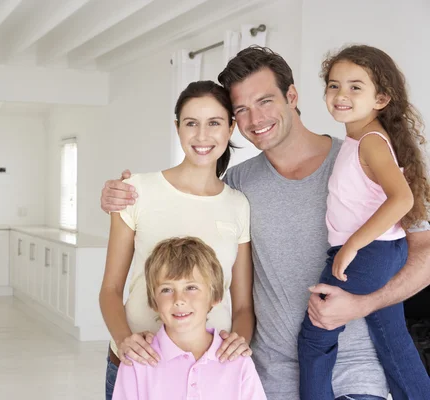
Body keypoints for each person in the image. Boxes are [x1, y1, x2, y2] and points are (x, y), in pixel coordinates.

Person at [100, 46, 430, 400]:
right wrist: (119, 196)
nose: (255, 119)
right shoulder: (238, 185)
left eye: (265, 101)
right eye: (242, 109)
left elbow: (424, 254)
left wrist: (365, 304)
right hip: (267, 379)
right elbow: (189, 222)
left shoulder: (362, 158)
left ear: (292, 95)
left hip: (354, 374)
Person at [99, 80, 256, 400]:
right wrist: (125, 339)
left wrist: (240, 341)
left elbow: (241, 304)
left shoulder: (238, 204)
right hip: (138, 365)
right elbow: (110, 290)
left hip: (213, 372)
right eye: (191, 123)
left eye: (214, 123)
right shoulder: (136, 191)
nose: (202, 135)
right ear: (177, 127)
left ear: (230, 128)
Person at [298, 45, 430, 400]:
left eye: (356, 87)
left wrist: (352, 246)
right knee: (391, 337)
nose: (341, 95)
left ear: (381, 98)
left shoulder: (371, 141)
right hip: (382, 251)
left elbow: (402, 199)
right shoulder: (358, 139)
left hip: (369, 252)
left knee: (315, 337)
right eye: (334, 85)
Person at [112, 236, 266, 400]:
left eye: (191, 287)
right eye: (166, 290)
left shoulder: (238, 361)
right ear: (154, 301)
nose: (179, 300)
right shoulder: (136, 362)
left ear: (215, 296)